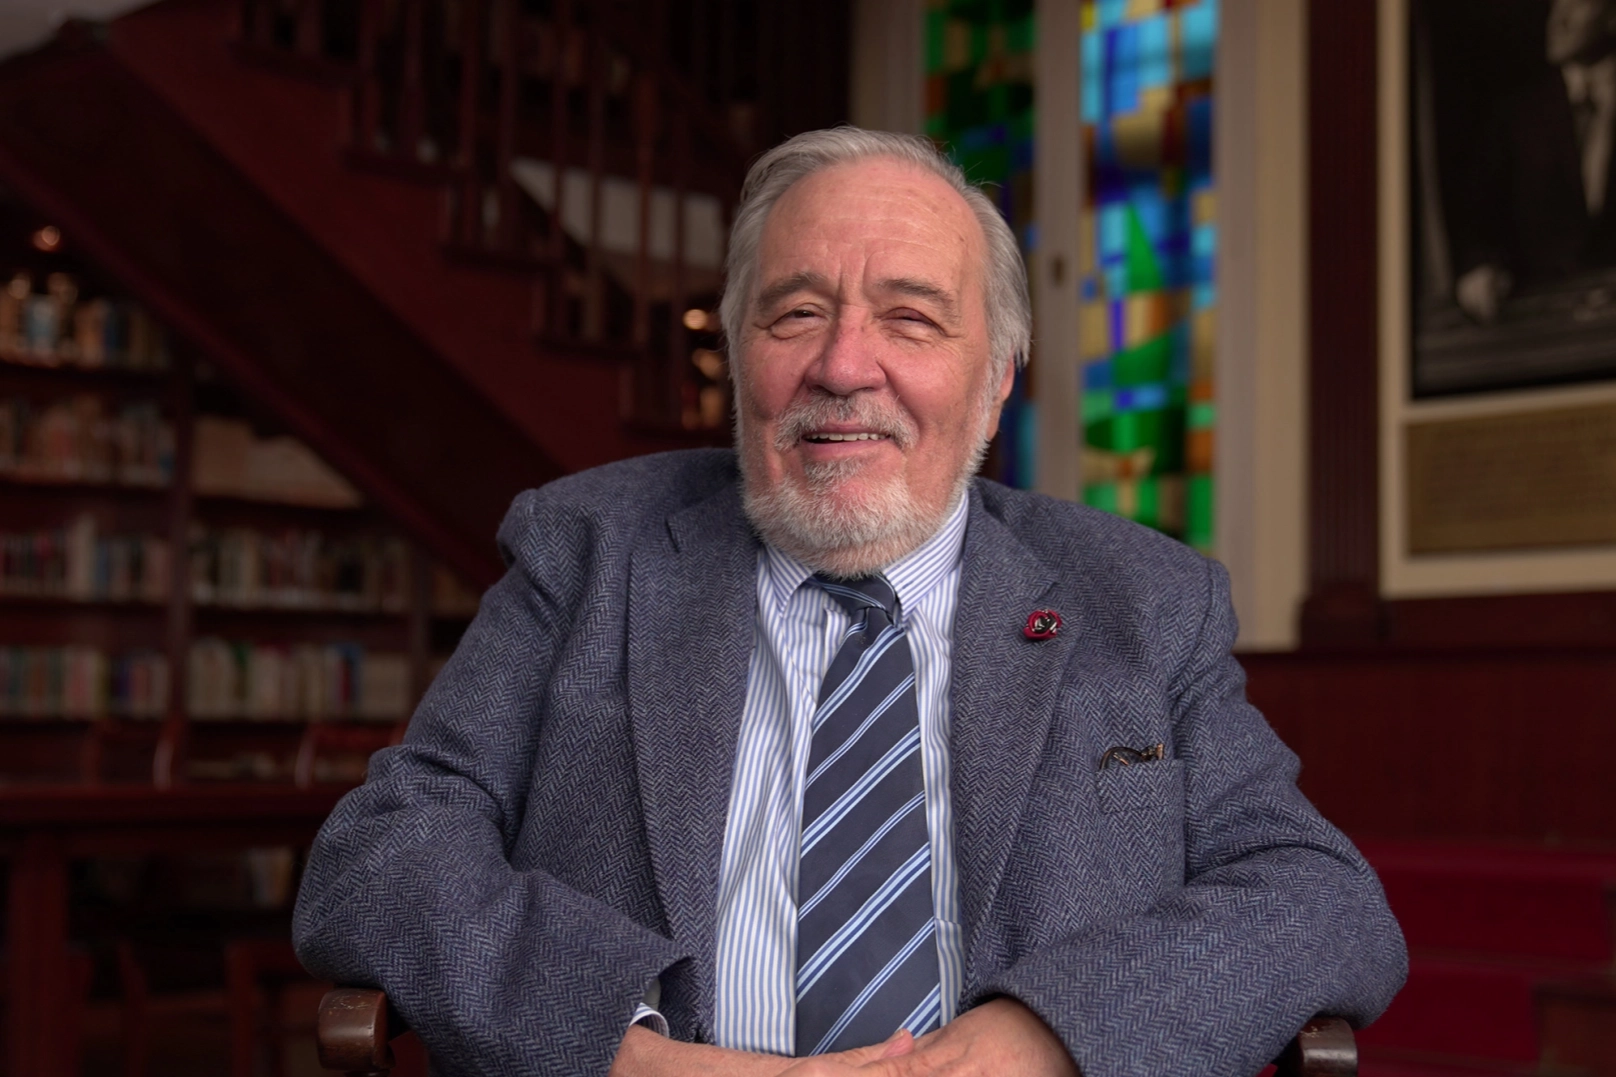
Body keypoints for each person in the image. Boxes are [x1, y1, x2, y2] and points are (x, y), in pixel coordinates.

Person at [293, 128, 1406, 1077]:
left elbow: (1318, 896)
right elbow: (382, 854)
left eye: (911, 318)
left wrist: (1044, 1034)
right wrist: (623, 1051)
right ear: (739, 354)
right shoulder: (587, 550)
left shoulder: (1145, 600)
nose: (842, 365)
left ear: (996, 378)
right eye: (794, 312)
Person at [1456, 0, 1616, 323]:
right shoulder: (1517, 115)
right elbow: (1480, 218)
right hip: (1538, 319)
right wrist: (1482, 267)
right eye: (1555, 5)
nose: (1558, 19)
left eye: (1577, 3)